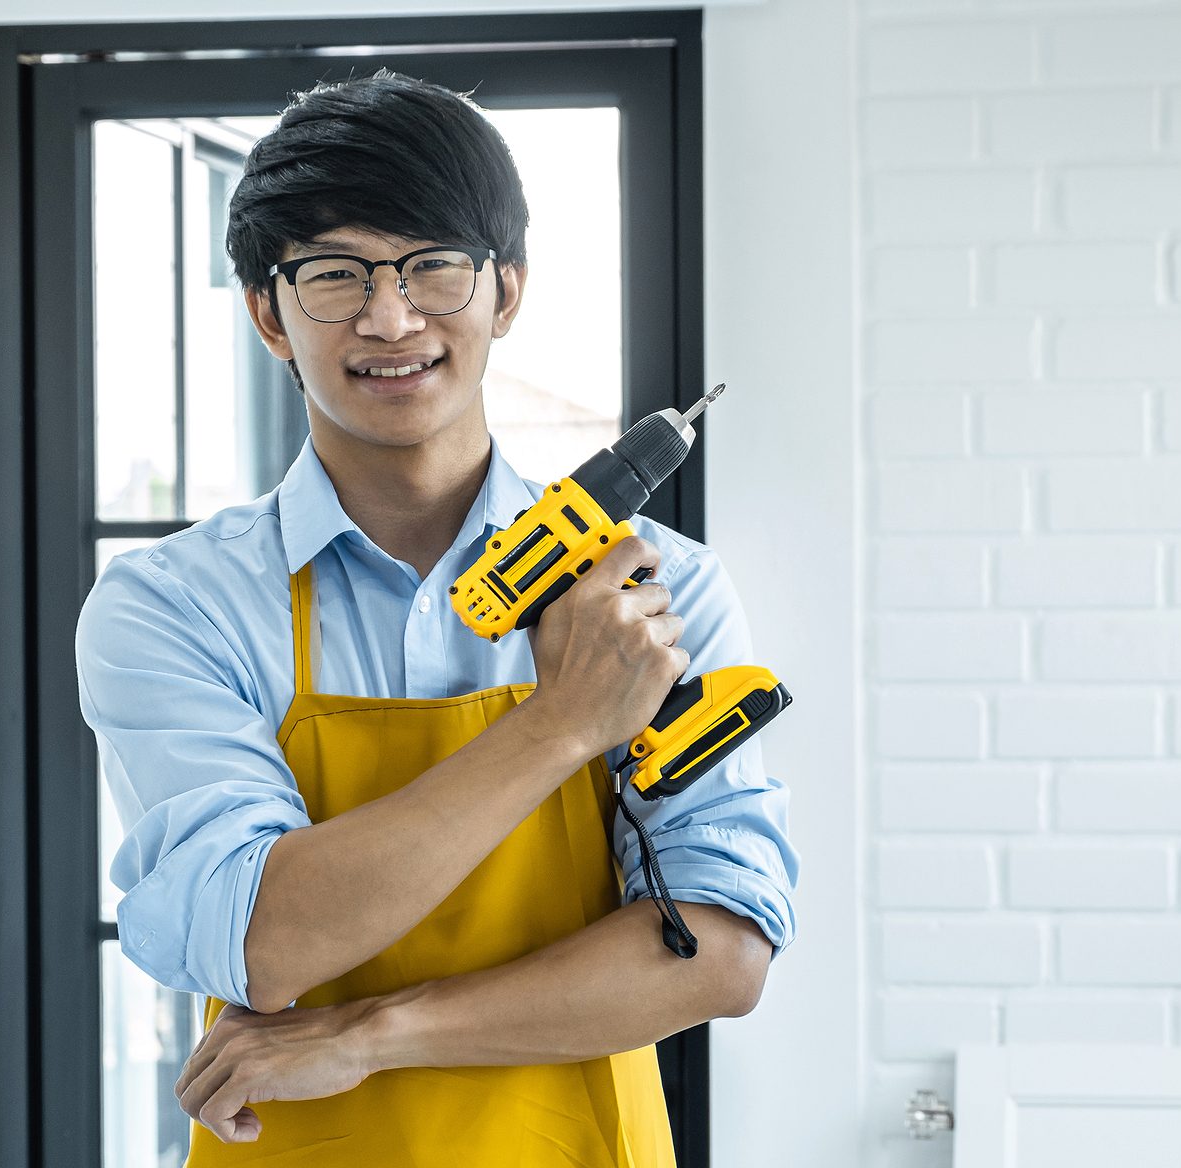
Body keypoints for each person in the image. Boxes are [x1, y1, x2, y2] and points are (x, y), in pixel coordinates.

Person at [76, 70, 799, 1166]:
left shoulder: (660, 596)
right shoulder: (175, 604)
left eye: (433, 266)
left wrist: (374, 1032)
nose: (389, 316)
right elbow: (267, 943)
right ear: (268, 312)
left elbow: (719, 949)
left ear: (504, 291)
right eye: (334, 274)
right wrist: (560, 725)